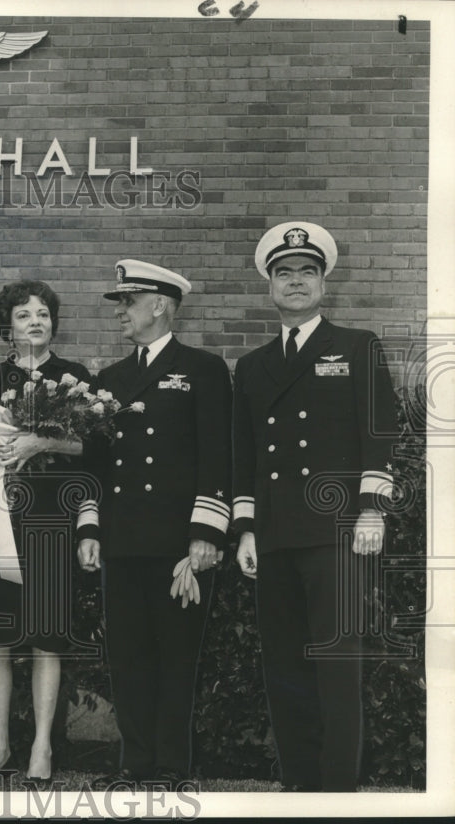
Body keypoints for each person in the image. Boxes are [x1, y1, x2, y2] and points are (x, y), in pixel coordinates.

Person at [232, 222, 397, 792]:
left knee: (335, 664)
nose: (295, 282)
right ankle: (299, 782)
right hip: (275, 535)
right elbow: (245, 454)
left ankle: (337, 787)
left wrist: (371, 507)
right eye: (284, 273)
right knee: (284, 666)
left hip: (335, 532)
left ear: (324, 283)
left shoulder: (356, 346)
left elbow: (379, 431)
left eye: (306, 272)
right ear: (269, 286)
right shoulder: (252, 367)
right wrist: (246, 528)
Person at [77, 260, 231, 789]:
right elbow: (95, 466)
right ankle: (135, 763)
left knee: (176, 657)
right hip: (122, 542)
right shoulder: (110, 380)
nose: (121, 312)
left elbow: (218, 457)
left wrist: (206, 534)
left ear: (160, 305)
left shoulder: (203, 369)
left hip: (177, 546)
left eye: (128, 301)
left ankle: (170, 766)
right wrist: (90, 529)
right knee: (129, 658)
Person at [0, 280, 92, 785]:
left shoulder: (73, 378)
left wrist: (40, 441)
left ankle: (41, 749)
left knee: (46, 637)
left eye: (43, 314)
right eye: (24, 315)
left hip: (50, 522)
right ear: (6, 327)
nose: (36, 321)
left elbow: (91, 450)